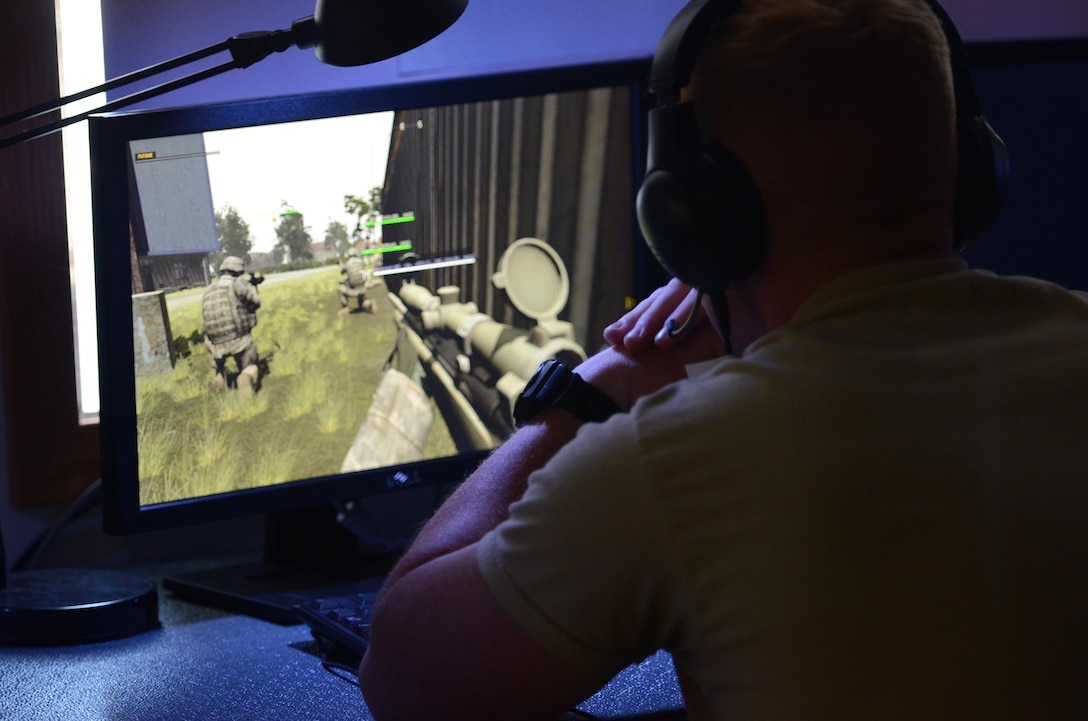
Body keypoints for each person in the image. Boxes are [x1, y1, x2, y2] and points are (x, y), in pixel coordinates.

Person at [357, 2, 1088, 720]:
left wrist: (592, 391)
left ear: (693, 216)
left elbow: (401, 677)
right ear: (970, 166)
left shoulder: (674, 460)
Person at [202, 255, 262, 394]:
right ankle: (246, 375)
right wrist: (253, 287)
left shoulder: (209, 290)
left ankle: (220, 376)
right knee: (249, 361)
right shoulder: (237, 284)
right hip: (238, 339)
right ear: (238, 271)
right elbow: (255, 303)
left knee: (218, 360)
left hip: (214, 343)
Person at [339, 249, 377, 315]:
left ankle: (345, 307)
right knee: (362, 298)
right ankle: (367, 304)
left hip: (353, 289)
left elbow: (342, 272)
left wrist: (341, 264)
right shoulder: (361, 261)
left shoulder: (348, 263)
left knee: (341, 288)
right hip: (363, 287)